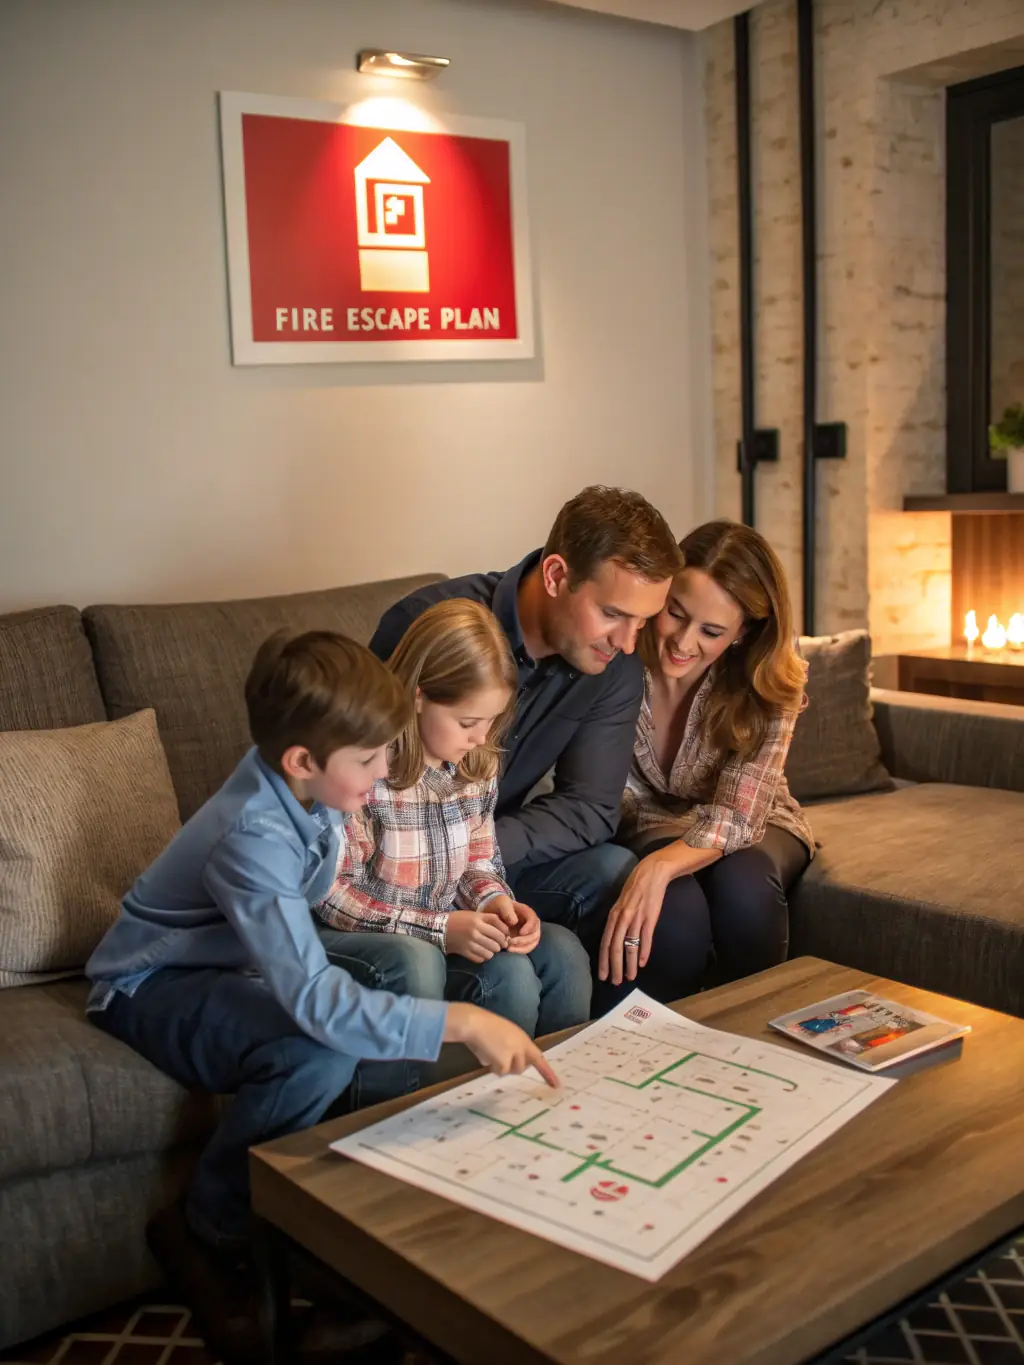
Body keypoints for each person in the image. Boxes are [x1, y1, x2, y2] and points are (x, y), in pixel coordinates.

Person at [85, 629, 557, 1364]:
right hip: (152, 983)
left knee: (351, 1019)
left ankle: (355, 1212)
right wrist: (460, 1020)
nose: (382, 776)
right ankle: (208, 1227)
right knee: (316, 1049)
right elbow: (315, 1001)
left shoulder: (316, 781)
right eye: (370, 763)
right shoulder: (254, 835)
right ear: (304, 762)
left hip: (240, 961)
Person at [369, 486, 682, 952]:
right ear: (556, 575)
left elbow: (590, 808)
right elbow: (352, 774)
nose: (628, 642)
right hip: (394, 859)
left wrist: (477, 855)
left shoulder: (614, 666)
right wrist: (442, 845)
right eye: (612, 614)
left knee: (623, 876)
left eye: (643, 621)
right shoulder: (426, 625)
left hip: (494, 856)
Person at [316, 599, 592, 1036]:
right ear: (419, 696)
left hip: (445, 930)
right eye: (468, 721)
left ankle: (559, 1092)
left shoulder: (476, 763)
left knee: (564, 952)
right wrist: (441, 929)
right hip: (378, 941)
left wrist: (494, 902)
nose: (482, 736)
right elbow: (329, 895)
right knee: (510, 978)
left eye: (491, 720)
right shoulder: (364, 769)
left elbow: (478, 863)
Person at [597, 520, 814, 1009]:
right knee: (676, 907)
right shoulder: (619, 651)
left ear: (742, 634)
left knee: (745, 888)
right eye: (676, 613)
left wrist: (660, 865)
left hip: (755, 819)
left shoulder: (771, 677)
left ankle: (754, 1027)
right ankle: (640, 1045)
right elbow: (616, 794)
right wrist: (661, 862)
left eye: (712, 631)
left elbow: (740, 813)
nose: (683, 642)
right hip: (648, 817)